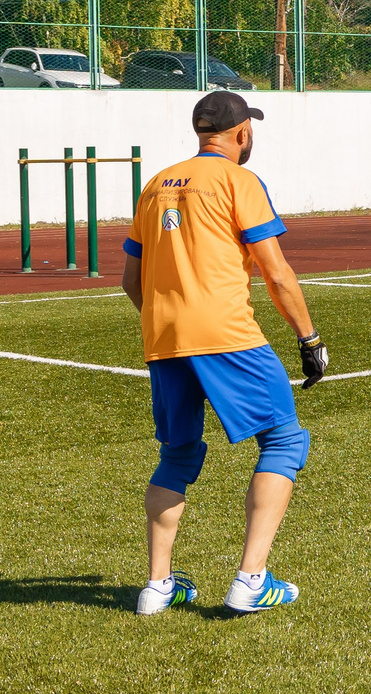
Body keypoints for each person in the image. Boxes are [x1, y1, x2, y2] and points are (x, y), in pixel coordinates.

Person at [123, 91, 327, 618]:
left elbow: (131, 278)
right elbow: (276, 273)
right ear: (241, 134)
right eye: (250, 129)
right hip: (227, 334)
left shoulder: (156, 184)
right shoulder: (240, 181)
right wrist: (309, 340)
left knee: (178, 455)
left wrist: (172, 317)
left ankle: (156, 587)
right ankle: (251, 579)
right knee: (284, 440)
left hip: (163, 339)